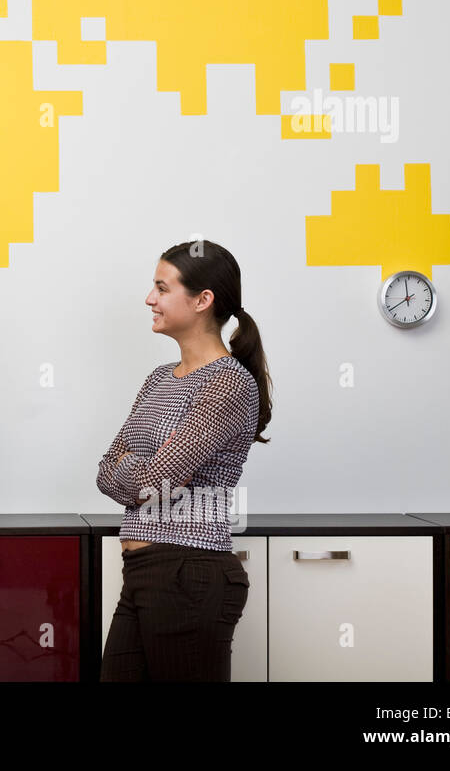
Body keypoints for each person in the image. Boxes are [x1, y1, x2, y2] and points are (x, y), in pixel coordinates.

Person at [96, 239, 273, 681]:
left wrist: (139, 465)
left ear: (202, 300)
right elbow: (106, 471)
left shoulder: (228, 383)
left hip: (188, 570)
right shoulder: (159, 379)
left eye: (162, 287)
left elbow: (156, 479)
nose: (149, 299)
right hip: (145, 569)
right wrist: (141, 466)